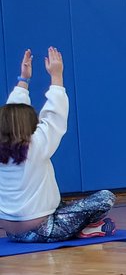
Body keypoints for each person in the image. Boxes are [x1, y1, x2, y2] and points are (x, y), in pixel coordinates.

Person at [1, 48, 116, 243]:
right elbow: (55, 115)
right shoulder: (36, 145)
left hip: (11, 232)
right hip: (44, 230)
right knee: (105, 197)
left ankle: (82, 229)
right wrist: (57, 76)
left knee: (60, 203)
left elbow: (12, 115)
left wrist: (24, 80)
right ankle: (83, 229)